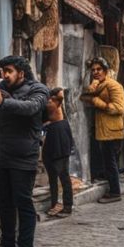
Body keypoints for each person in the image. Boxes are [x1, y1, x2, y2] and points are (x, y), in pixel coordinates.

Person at [0, 55, 48, 247]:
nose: (5, 76)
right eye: (3, 72)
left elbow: (29, 109)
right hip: (1, 154)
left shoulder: (38, 89)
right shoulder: (2, 88)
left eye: (9, 71)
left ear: (21, 72)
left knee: (23, 201)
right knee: (4, 201)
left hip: (23, 154)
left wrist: (4, 99)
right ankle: (7, 243)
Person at [80, 58, 124, 203]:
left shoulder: (114, 86)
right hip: (102, 129)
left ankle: (115, 193)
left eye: (98, 69)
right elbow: (84, 96)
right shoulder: (98, 85)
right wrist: (92, 90)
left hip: (112, 131)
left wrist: (97, 102)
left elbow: (119, 108)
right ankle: (111, 189)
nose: (95, 72)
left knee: (111, 162)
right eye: (93, 70)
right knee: (106, 162)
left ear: (105, 70)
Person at [43, 88, 75, 218]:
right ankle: (55, 203)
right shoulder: (51, 101)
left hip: (59, 134)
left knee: (63, 175)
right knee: (53, 176)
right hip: (54, 132)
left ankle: (67, 206)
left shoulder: (54, 102)